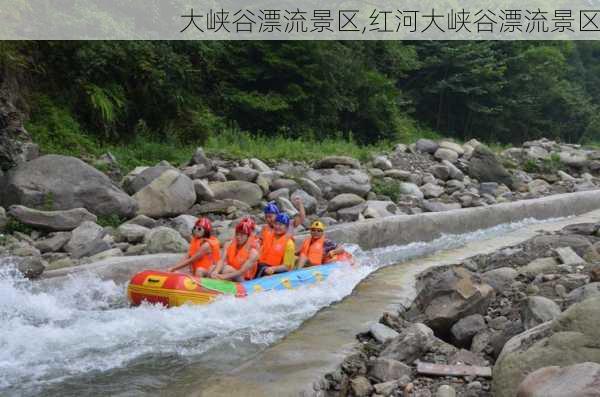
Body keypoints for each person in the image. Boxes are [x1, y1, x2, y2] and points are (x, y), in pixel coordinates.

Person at [255, 213, 296, 277]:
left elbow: (287, 266)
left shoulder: (289, 243)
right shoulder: (267, 235)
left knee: (264, 270)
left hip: (275, 270)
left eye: (280, 225)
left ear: (286, 227)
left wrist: (273, 269)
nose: (277, 227)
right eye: (276, 224)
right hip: (261, 265)